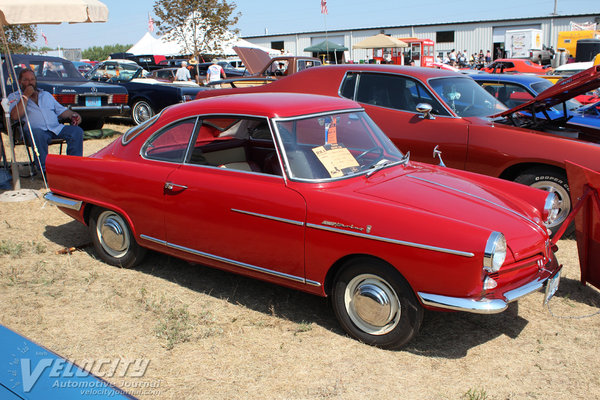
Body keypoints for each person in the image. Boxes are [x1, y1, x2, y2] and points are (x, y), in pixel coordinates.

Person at [8, 68, 83, 173]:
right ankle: (45, 170)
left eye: (32, 79)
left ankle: (75, 167)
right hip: (35, 132)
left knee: (76, 131)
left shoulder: (46, 95)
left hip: (55, 128)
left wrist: (74, 115)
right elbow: (14, 116)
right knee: (38, 133)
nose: (30, 82)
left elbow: (62, 111)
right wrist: (25, 96)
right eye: (26, 80)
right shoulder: (14, 96)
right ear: (20, 82)